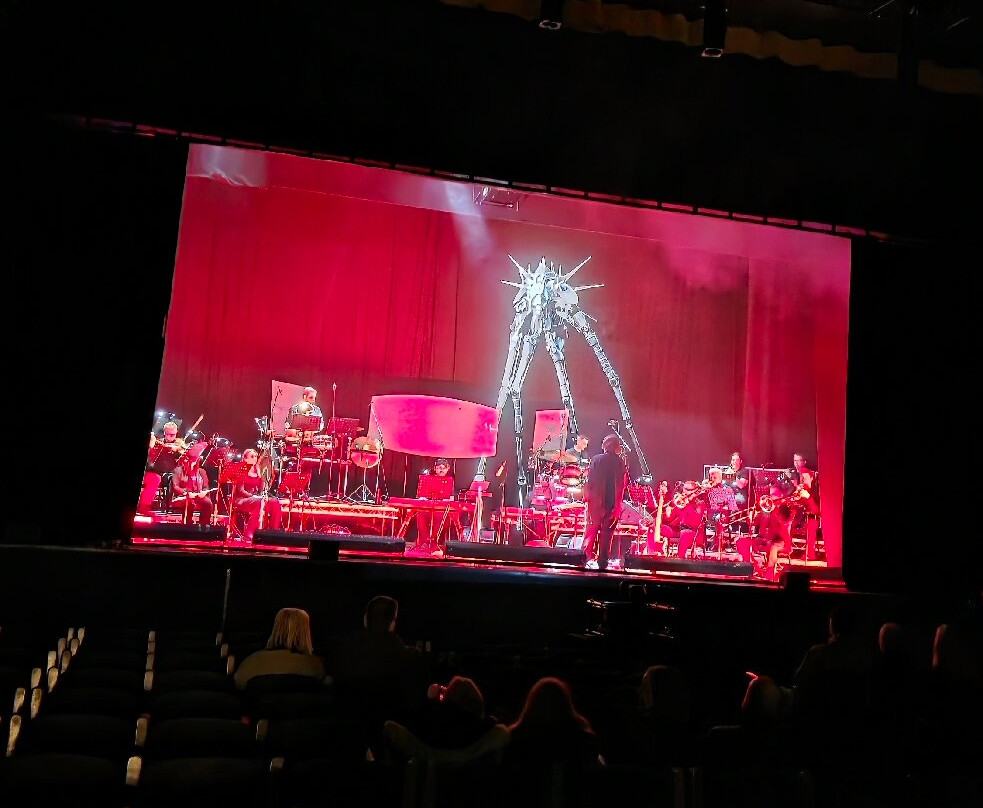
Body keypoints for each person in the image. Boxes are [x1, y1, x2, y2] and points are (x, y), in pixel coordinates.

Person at [328, 595, 430, 757]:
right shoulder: (411, 658)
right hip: (396, 748)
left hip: (348, 743)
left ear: (365, 619)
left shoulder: (344, 652)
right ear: (393, 621)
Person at [233, 607, 327, 690]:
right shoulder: (315, 665)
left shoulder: (252, 661)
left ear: (276, 627)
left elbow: (239, 685)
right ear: (305, 632)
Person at [582, 433, 629, 571]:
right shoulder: (619, 462)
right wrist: (618, 505)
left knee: (590, 531)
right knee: (606, 535)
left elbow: (589, 481)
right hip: (611, 503)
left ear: (605, 446)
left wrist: (587, 498)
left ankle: (584, 558)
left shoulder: (596, 459)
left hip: (595, 502)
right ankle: (603, 563)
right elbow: (621, 484)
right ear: (616, 447)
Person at [408, 458, 459, 559]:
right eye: (439, 467)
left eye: (444, 468)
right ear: (435, 468)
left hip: (441, 509)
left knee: (441, 517)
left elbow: (450, 498)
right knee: (420, 514)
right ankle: (425, 540)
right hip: (427, 506)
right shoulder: (427, 479)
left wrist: (448, 499)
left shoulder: (449, 481)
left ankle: (433, 541)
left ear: (447, 469)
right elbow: (421, 495)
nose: (441, 470)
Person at [233, 447, 282, 543]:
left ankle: (273, 533)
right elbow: (241, 490)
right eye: (252, 456)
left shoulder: (257, 470)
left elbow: (261, 489)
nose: (255, 458)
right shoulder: (241, 470)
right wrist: (253, 496)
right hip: (242, 499)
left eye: (256, 456)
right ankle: (249, 535)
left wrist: (262, 476)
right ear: (245, 458)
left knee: (275, 502)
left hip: (256, 498)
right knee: (259, 502)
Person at [137, 420, 187, 514]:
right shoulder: (159, 443)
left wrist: (177, 450)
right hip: (156, 471)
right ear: (164, 432)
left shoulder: (180, 443)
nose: (169, 437)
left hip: (171, 472)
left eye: (172, 435)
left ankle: (170, 505)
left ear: (176, 433)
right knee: (154, 478)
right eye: (167, 434)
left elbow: (184, 454)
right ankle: (143, 507)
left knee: (170, 477)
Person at [170, 452, 215, 526]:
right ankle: (188, 525)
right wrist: (186, 493)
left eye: (194, 461)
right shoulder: (178, 470)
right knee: (190, 503)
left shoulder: (201, 471)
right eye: (190, 460)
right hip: (183, 496)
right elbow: (175, 487)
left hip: (197, 495)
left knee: (208, 503)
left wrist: (204, 492)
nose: (192, 463)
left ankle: (204, 525)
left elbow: (206, 486)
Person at [670, 480, 710, 560]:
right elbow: (673, 517)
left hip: (694, 532)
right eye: (684, 489)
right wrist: (672, 508)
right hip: (679, 529)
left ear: (694, 491)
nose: (684, 492)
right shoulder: (681, 501)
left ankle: (680, 559)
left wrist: (688, 505)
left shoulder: (700, 503)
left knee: (685, 533)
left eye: (688, 490)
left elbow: (696, 522)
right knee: (657, 528)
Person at [705, 467, 738, 553]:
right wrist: (705, 490)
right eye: (711, 477)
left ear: (720, 478)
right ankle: (714, 542)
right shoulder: (707, 489)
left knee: (720, 518)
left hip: (724, 514)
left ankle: (718, 542)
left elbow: (732, 505)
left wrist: (730, 511)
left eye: (714, 477)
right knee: (718, 518)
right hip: (710, 513)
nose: (712, 479)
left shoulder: (728, 489)